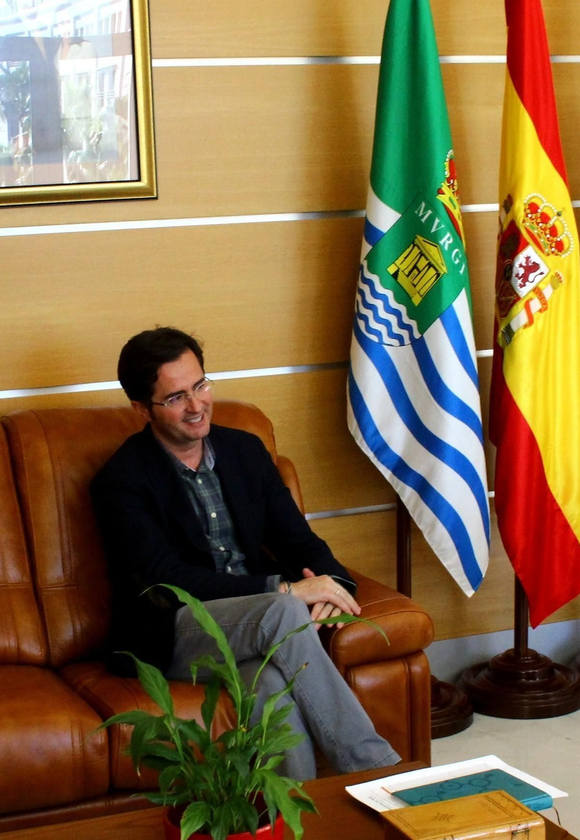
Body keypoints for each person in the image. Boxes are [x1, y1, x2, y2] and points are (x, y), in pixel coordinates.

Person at [90, 328, 401, 781]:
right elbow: (169, 580)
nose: (196, 405)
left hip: (254, 625)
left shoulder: (245, 451)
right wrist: (285, 590)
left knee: (269, 685)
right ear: (142, 408)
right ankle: (379, 773)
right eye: (176, 397)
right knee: (282, 609)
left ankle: (297, 813)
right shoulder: (121, 480)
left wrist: (333, 586)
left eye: (200, 385)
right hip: (172, 630)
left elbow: (299, 540)